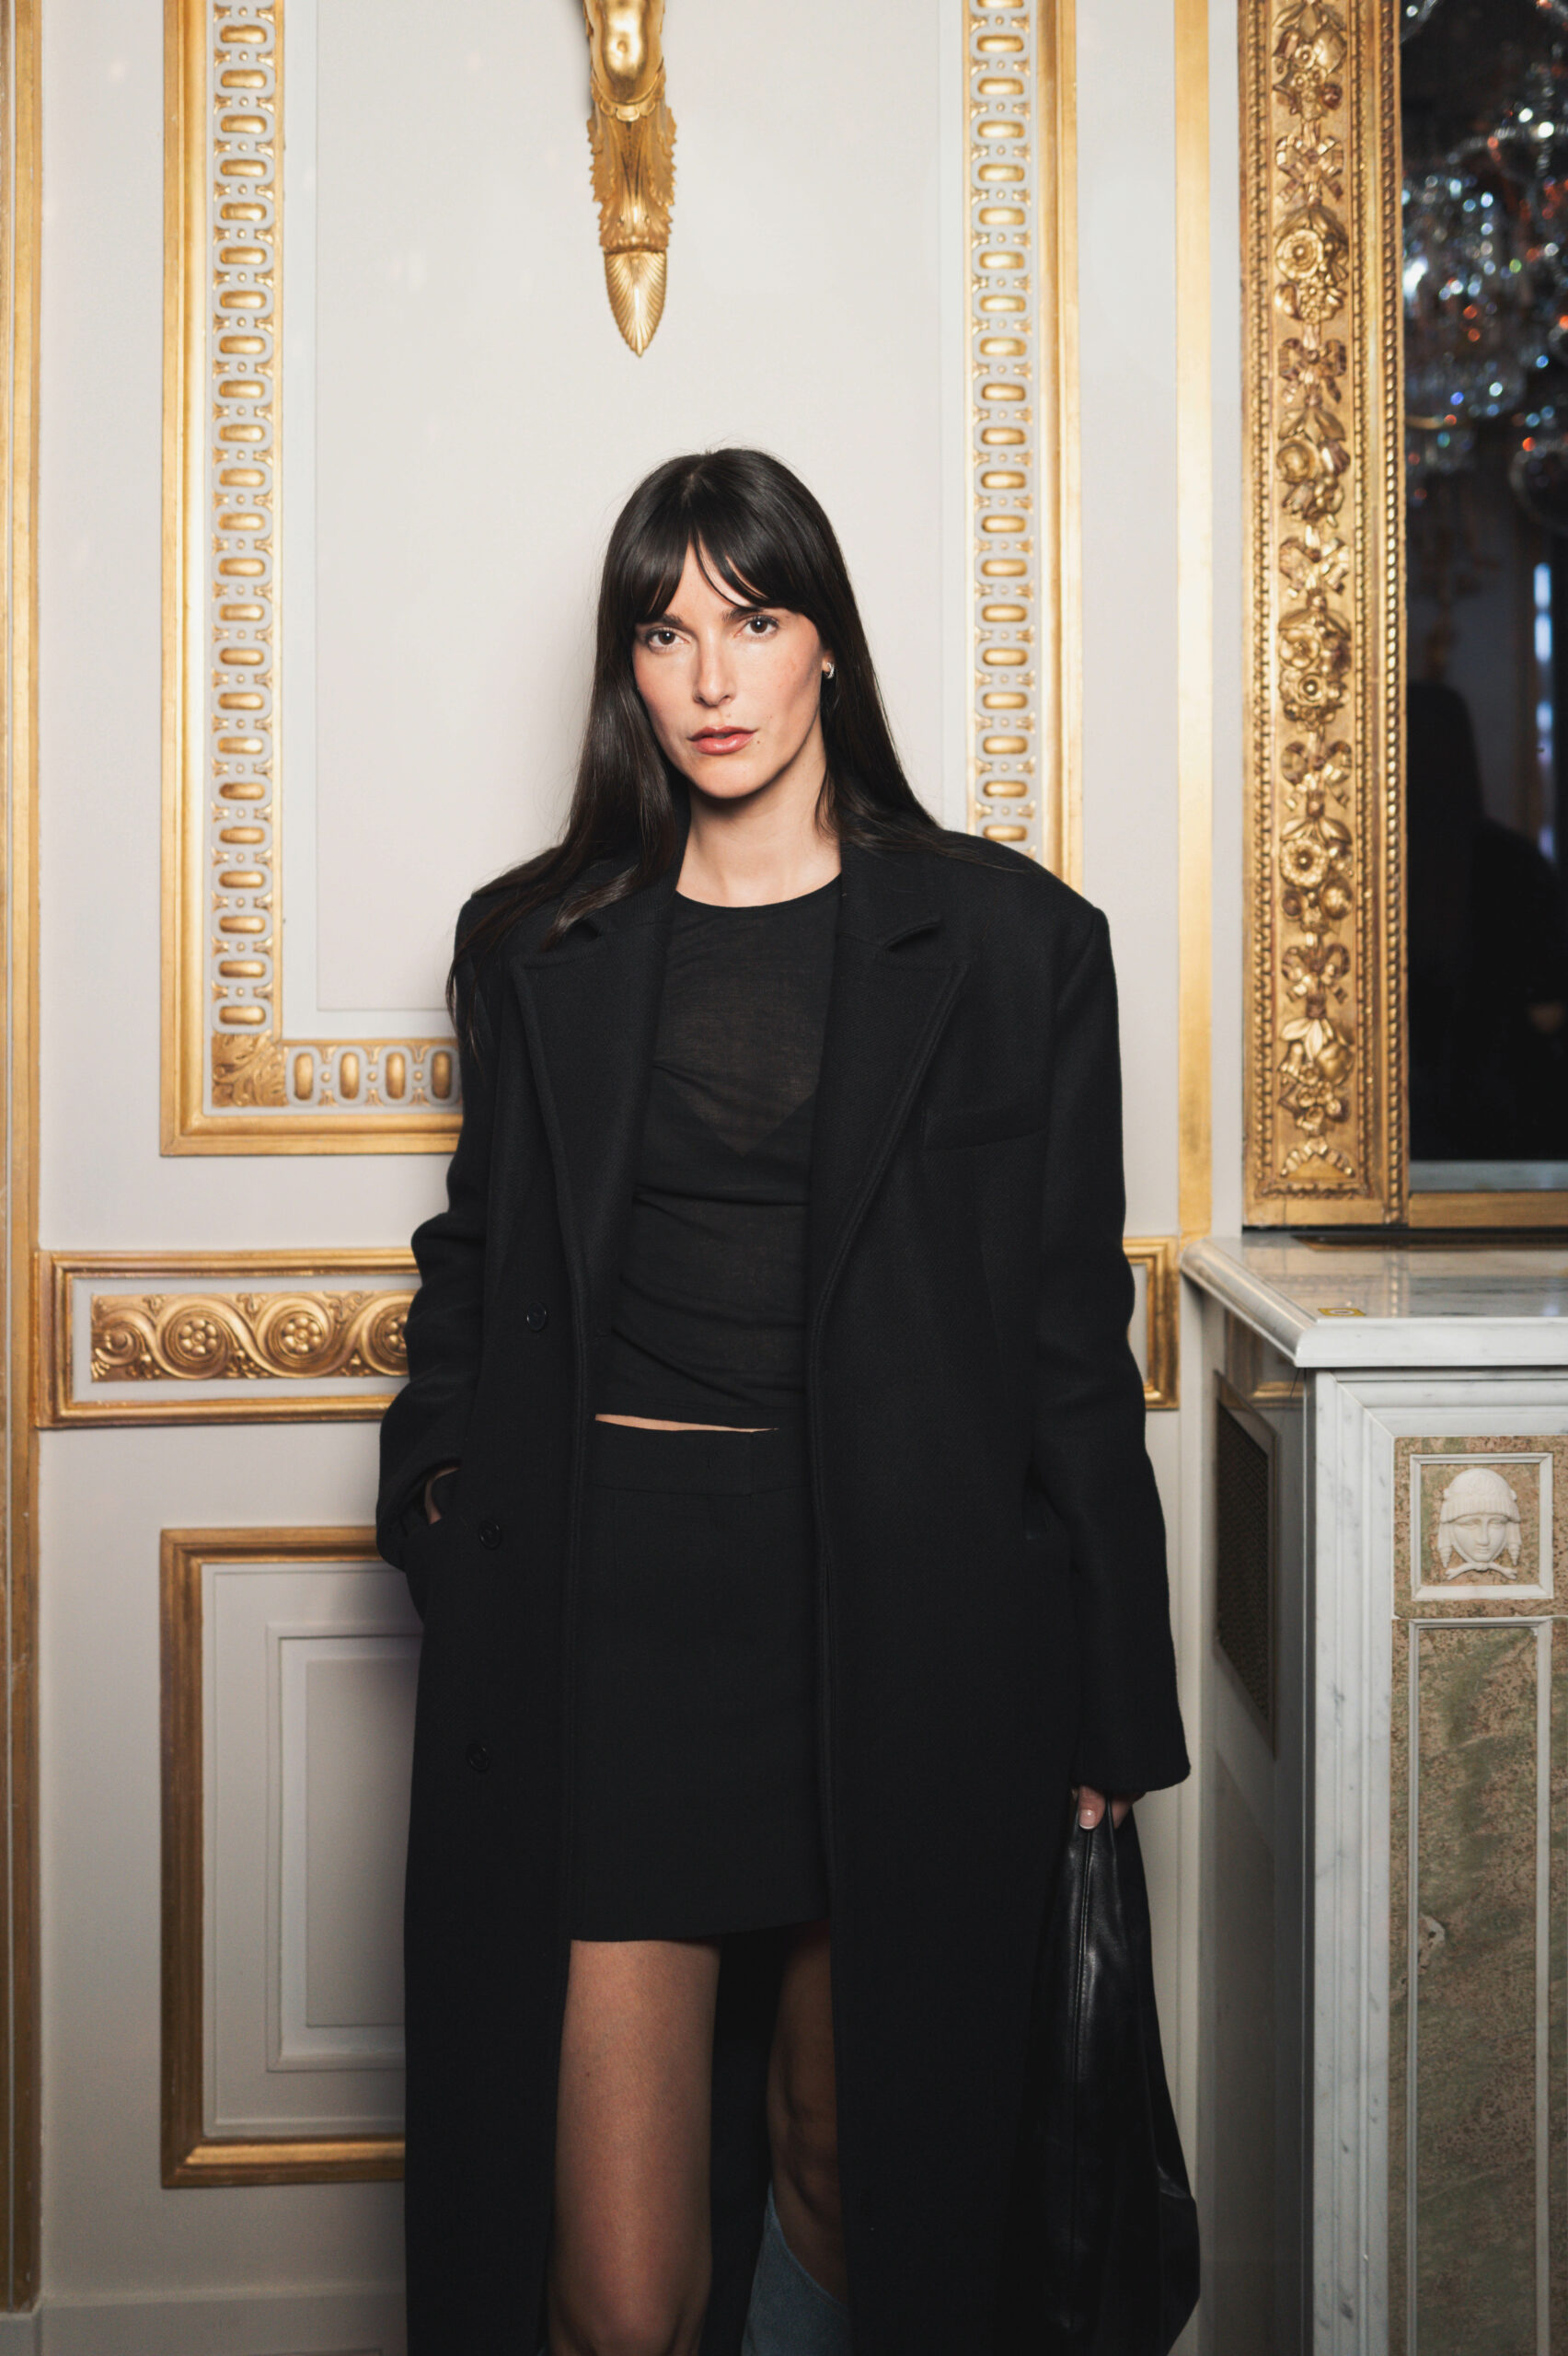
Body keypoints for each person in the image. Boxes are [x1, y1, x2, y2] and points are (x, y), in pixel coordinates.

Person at [375, 448, 1189, 2356]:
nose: (711, 675)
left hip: (898, 1620)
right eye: (664, 633)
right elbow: (476, 1254)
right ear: (628, 669)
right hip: (605, 1623)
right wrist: (441, 1494)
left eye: (752, 619)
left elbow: (1067, 1339)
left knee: (856, 2178)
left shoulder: (1015, 946)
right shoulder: (534, 939)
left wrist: (1108, 1696)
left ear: (829, 643)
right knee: (618, 2288)